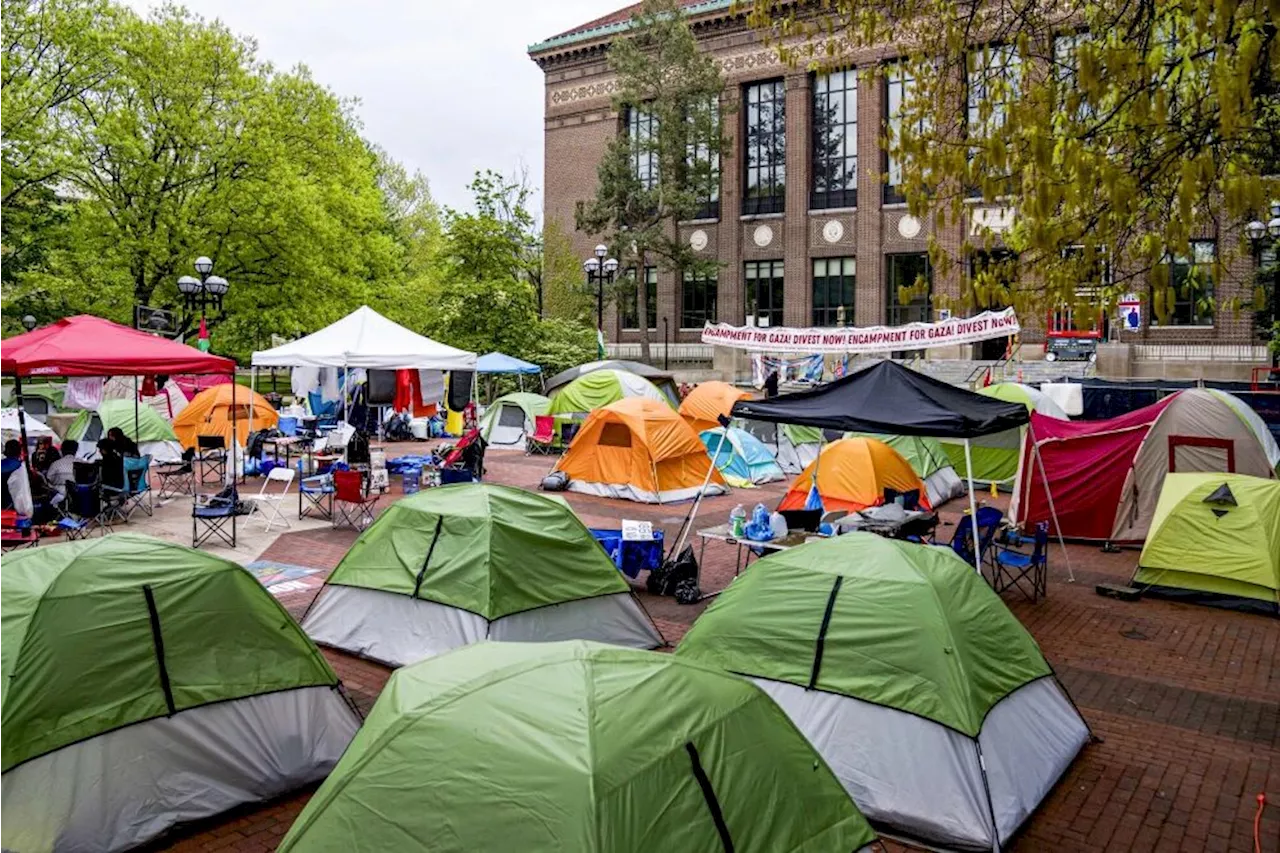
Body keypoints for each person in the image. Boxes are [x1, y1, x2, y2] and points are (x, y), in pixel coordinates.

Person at [46, 440, 79, 504]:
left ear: (62, 450)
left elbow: (49, 479)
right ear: (76, 450)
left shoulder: (55, 464)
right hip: (79, 495)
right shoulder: (82, 463)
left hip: (59, 495)